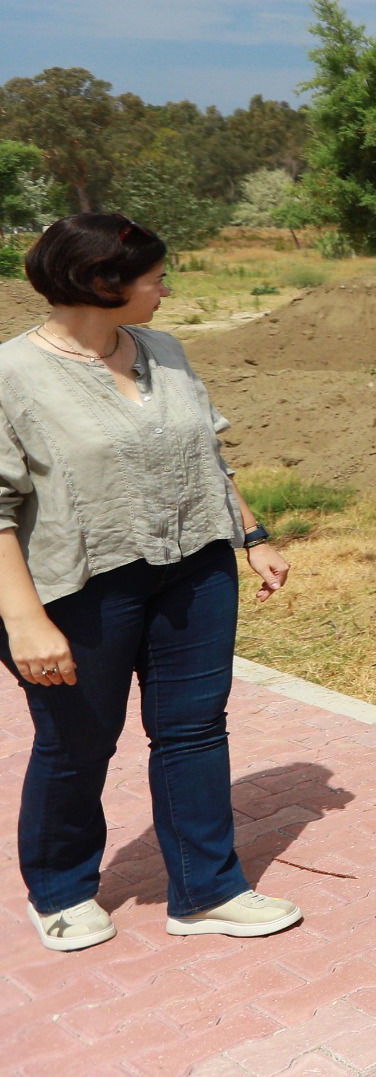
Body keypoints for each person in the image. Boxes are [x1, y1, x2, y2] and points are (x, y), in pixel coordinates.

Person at [0, 214, 301, 952]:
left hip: (194, 570)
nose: (166, 288)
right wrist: (26, 622)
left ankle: (207, 890)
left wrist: (251, 534)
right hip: (79, 584)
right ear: (101, 284)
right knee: (77, 743)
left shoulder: (164, 350)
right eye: (154, 277)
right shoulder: (12, 375)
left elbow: (205, 457)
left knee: (194, 730)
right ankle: (60, 888)